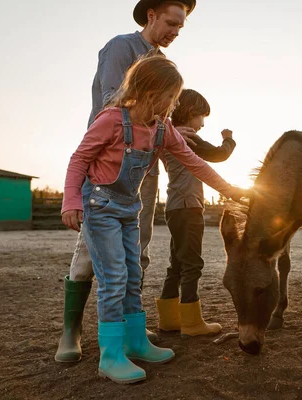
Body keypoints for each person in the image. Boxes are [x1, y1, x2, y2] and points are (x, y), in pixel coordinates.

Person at [61, 55, 246, 384]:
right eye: (172, 97)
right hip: (100, 207)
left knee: (133, 274)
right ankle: (111, 355)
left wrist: (229, 189)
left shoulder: (162, 129)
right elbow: (79, 159)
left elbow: (194, 162)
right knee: (114, 278)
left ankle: (135, 341)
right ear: (151, 93)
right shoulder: (111, 120)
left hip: (129, 209)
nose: (174, 104)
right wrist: (71, 199)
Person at [55, 0, 197, 363]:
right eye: (171, 22)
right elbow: (111, 103)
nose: (175, 32)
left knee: (138, 251)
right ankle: (71, 331)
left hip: (142, 170)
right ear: (151, 15)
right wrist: (155, 129)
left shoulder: (163, 64)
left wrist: (169, 134)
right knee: (92, 254)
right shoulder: (122, 47)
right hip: (106, 171)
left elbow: (160, 115)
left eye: (181, 27)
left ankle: (130, 327)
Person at [155, 89, 236, 336]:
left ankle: (169, 320)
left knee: (177, 263)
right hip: (189, 206)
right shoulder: (186, 137)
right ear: (190, 113)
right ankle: (191, 322)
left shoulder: (167, 135)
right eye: (202, 117)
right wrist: (229, 139)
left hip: (174, 207)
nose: (202, 124)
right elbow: (218, 155)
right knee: (192, 264)